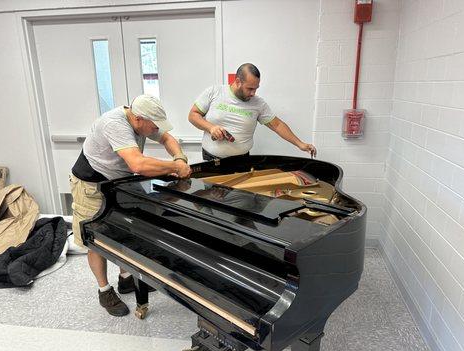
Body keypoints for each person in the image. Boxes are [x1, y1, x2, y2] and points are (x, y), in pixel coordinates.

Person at [70, 94, 191, 317]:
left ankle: (126, 279)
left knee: (125, 232)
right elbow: (137, 164)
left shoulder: (143, 119)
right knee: (97, 240)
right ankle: (104, 290)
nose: (155, 129)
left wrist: (180, 158)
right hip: (91, 184)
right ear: (137, 120)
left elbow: (167, 139)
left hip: (117, 182)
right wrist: (173, 167)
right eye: (153, 125)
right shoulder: (115, 124)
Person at [188, 63, 317, 160]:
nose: (253, 93)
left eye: (256, 88)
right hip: (211, 160)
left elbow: (277, 125)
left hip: (242, 160)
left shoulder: (258, 103)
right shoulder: (214, 92)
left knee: (241, 196)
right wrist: (211, 128)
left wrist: (300, 144)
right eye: (249, 88)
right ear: (238, 81)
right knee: (211, 196)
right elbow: (193, 115)